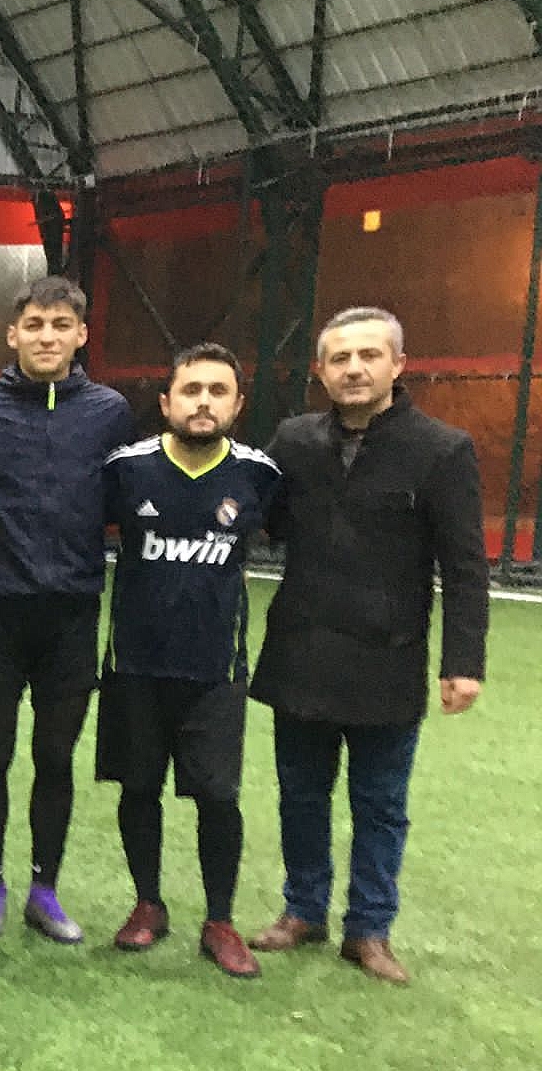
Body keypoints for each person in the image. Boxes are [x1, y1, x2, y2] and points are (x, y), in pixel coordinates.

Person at [247, 306, 488, 985]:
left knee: (380, 804)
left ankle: (370, 929)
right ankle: (303, 910)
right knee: (301, 794)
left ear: (398, 365)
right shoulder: (292, 442)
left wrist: (463, 663)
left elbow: (465, 567)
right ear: (321, 371)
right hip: (301, 653)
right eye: (340, 358)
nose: (354, 369)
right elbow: (262, 521)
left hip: (389, 659)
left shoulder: (442, 450)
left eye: (369, 356)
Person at [0, 275, 135, 943]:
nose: (48, 337)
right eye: (36, 325)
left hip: (71, 616)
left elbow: (131, 499)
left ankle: (45, 891)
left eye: (61, 325)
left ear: (81, 335)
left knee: (55, 757)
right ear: (13, 334)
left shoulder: (109, 412)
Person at [96, 344, 280, 978]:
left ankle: (220, 920)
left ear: (237, 404)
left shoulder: (259, 475)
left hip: (216, 669)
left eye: (217, 391)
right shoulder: (127, 469)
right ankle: (148, 904)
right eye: (191, 390)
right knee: (138, 787)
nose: (204, 402)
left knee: (218, 797)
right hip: (135, 662)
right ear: (166, 401)